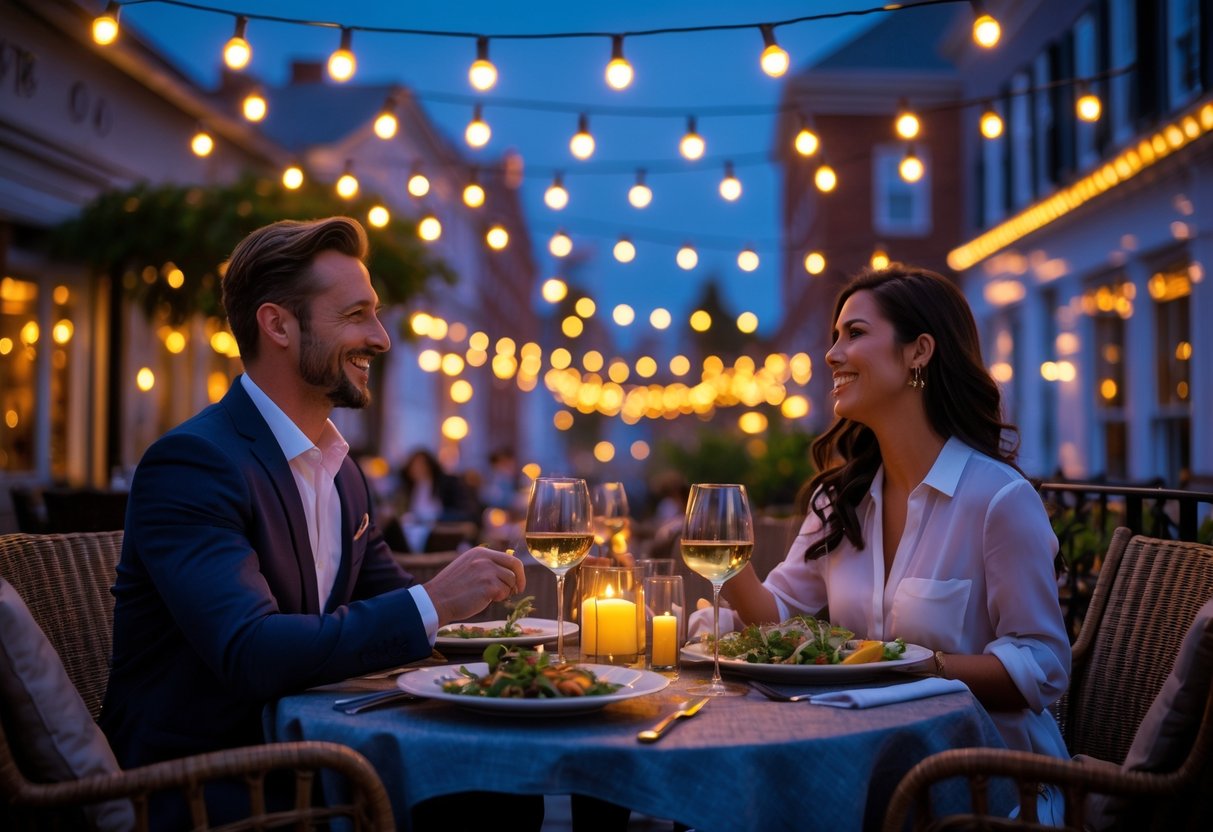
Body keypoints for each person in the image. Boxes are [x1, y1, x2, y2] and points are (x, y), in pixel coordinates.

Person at [101, 217, 532, 828]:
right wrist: (434, 600)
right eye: (356, 315)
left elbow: (398, 604)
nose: (381, 339)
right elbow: (252, 650)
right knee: (483, 794)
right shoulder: (194, 463)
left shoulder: (340, 470)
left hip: (319, 754)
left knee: (504, 781)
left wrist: (539, 640)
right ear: (278, 324)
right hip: (215, 788)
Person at [701, 264, 1071, 762]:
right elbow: (776, 616)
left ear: (919, 350)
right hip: (864, 755)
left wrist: (911, 664)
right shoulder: (841, 500)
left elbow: (1044, 665)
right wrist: (725, 550)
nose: (832, 354)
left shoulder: (998, 500)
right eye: (835, 336)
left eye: (855, 333)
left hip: (980, 780)